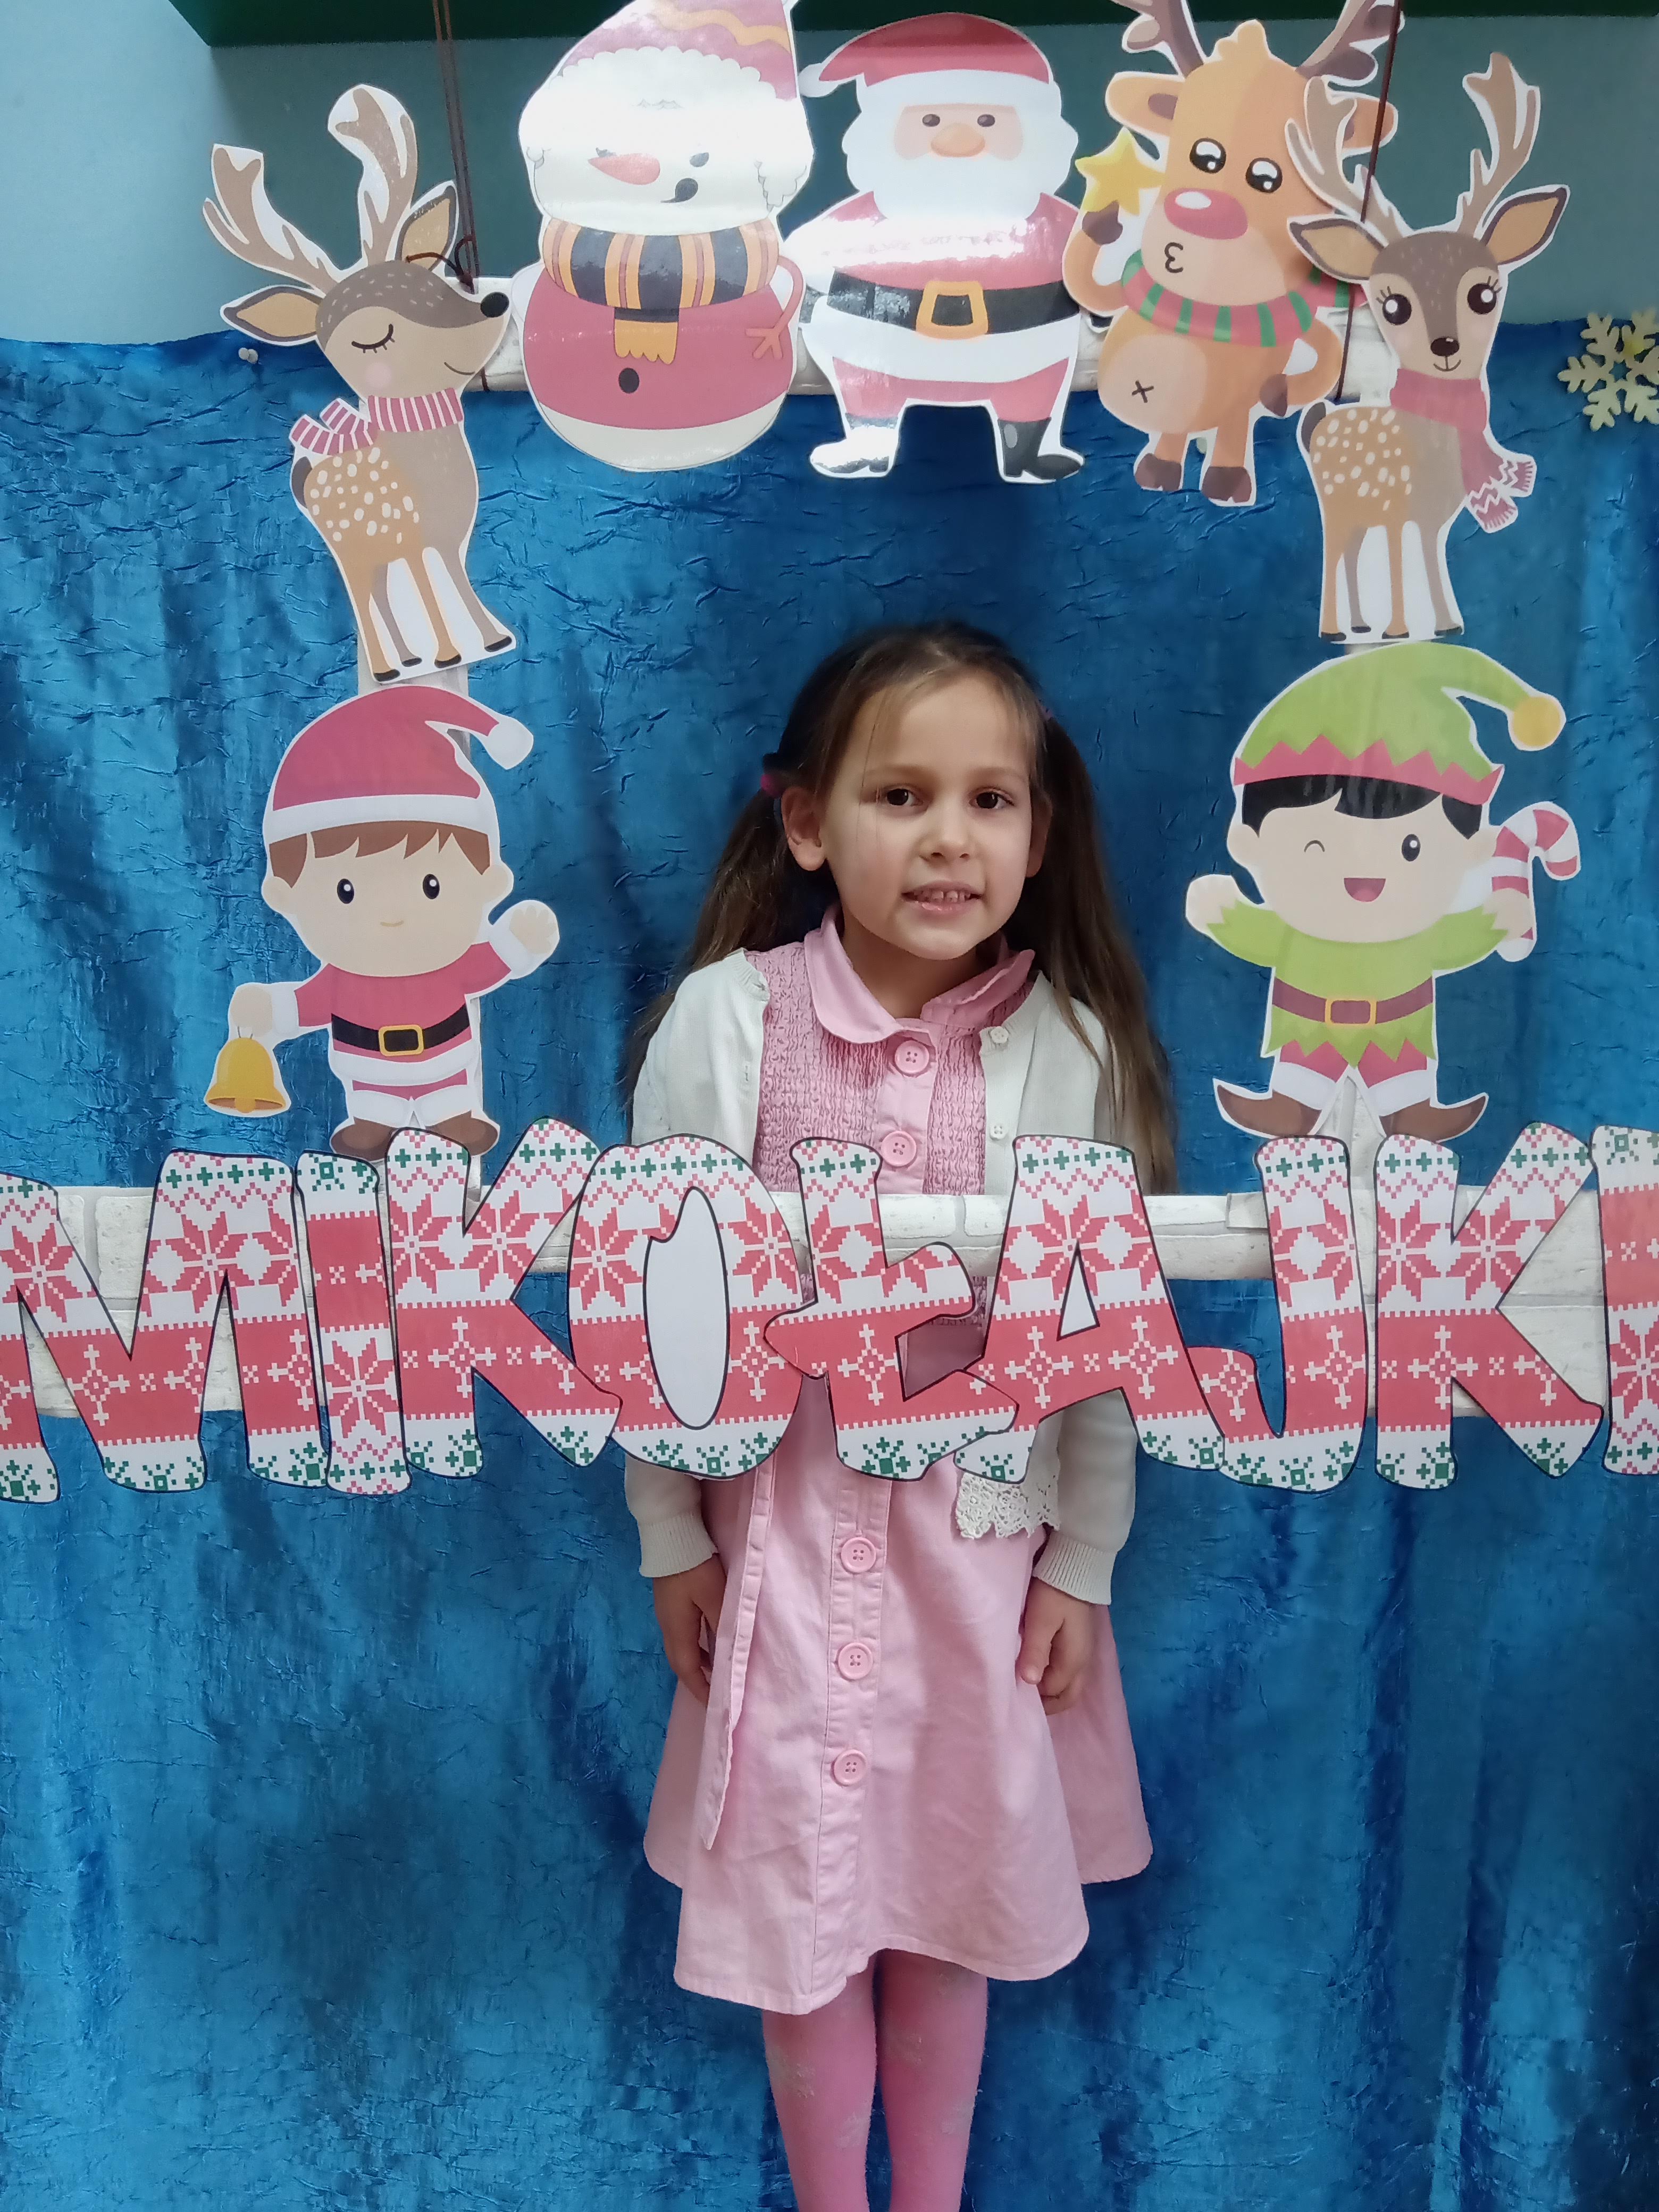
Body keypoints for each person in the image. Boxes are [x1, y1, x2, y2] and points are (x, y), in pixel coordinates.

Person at [624, 621, 1172, 2210]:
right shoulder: (725, 1023)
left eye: (988, 800)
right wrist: (669, 1533)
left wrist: (1084, 1561)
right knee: (800, 1918)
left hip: (976, 1574)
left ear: (1038, 834)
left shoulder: (1067, 1048)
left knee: (947, 1907)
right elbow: (654, 1310)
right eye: (899, 795)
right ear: (806, 821)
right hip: (785, 1563)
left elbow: (1098, 1340)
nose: (947, 838)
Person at [1184, 643, 1572, 1142]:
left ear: (1472, 848)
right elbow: (1261, 934)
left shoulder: (1421, 936)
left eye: (1412, 847)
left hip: (1398, 1025)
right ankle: (1291, 1105)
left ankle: (1412, 1112)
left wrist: (1494, 921)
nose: (1364, 873)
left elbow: (1453, 941)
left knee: (1402, 1076)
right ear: (1248, 841)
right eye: (1318, 845)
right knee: (1304, 1068)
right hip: (1309, 1024)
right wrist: (1224, 916)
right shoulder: (1294, 931)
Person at [223, 686, 558, 1160]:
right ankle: (373, 1126)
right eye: (346, 890)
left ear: (489, 881)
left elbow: (488, 964)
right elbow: (306, 1004)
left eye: (431, 885)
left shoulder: (451, 965)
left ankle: (453, 1119)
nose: (390, 914)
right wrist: (269, 1010)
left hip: (446, 1062)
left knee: (450, 1100)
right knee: (373, 1110)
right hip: (368, 1072)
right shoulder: (341, 980)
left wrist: (516, 944)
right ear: (285, 895)